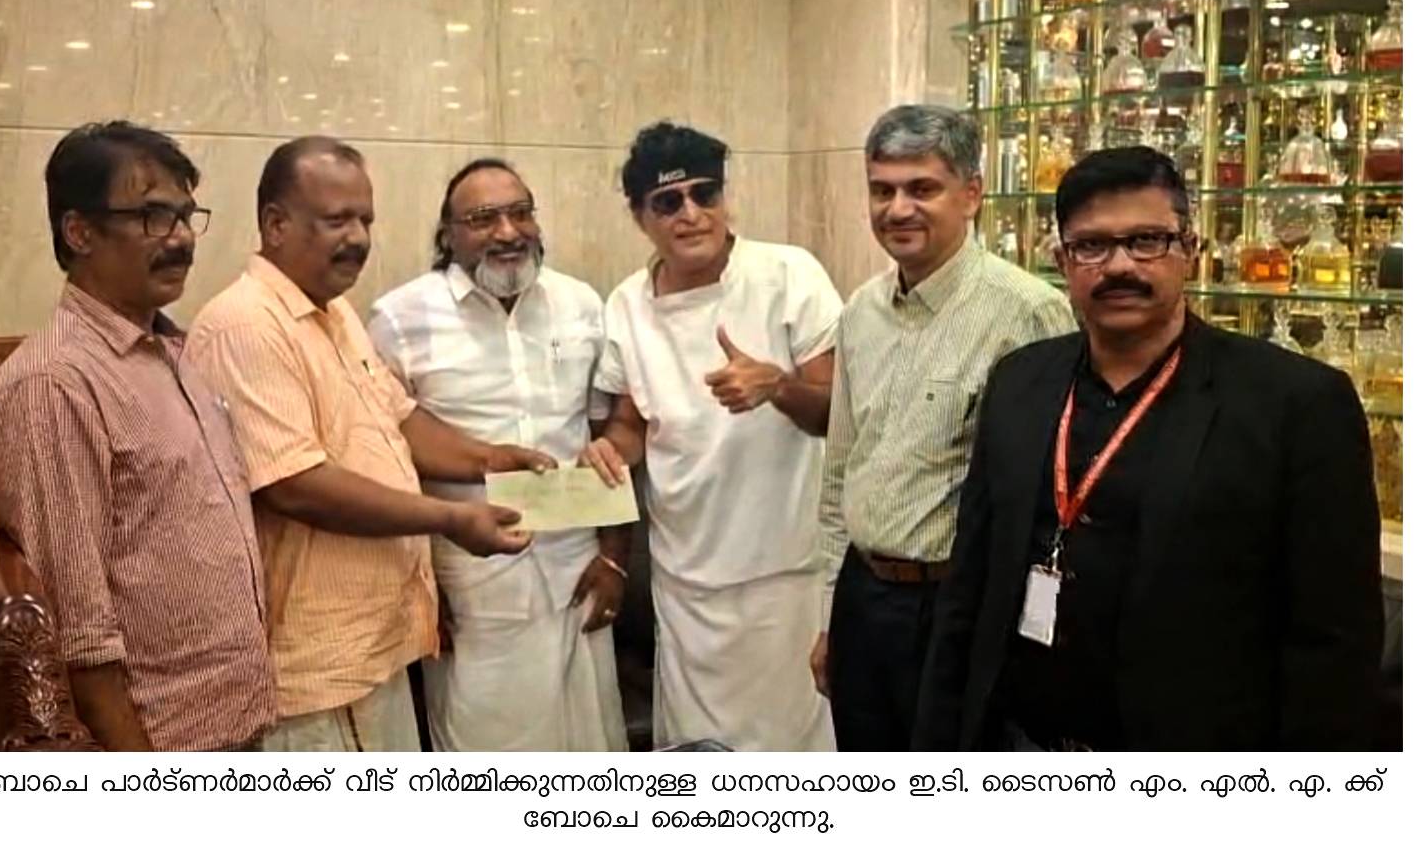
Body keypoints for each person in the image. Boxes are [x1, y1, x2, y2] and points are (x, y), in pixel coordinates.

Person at [915, 146, 1383, 751]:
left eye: (1146, 241)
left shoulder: (1295, 404)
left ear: (1191, 250)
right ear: (1062, 261)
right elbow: (971, 585)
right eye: (1091, 246)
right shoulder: (1020, 381)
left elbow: (1334, 645)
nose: (1119, 266)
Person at [186, 137, 548, 752]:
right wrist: (450, 518)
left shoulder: (333, 312)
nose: (357, 238)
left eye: (365, 220)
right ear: (275, 224)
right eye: (336, 220)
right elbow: (295, 485)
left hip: (375, 647)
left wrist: (489, 458)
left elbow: (399, 418)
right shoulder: (246, 324)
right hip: (315, 670)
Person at [0, 121, 275, 751]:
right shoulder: (53, 385)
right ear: (79, 232)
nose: (182, 238)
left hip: (238, 724)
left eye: (186, 216)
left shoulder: (170, 351)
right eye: (153, 217)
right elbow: (78, 636)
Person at [813, 104, 1075, 751]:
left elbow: (1049, 500)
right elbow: (840, 471)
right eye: (882, 190)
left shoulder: (1028, 313)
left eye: (921, 188)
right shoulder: (860, 312)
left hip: (961, 609)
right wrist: (829, 616)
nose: (898, 209)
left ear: (971, 194)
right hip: (863, 599)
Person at [583, 121, 841, 751]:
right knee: (697, 760)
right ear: (640, 216)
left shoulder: (788, 274)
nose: (691, 214)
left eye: (705, 194)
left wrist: (776, 386)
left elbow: (837, 414)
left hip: (785, 574)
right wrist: (610, 450)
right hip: (687, 582)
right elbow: (630, 422)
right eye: (668, 202)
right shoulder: (627, 304)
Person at [367, 158, 627, 751]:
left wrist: (615, 557)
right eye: (483, 218)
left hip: (578, 574)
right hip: (472, 586)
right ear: (449, 234)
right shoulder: (400, 318)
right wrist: (416, 590)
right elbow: (385, 460)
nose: (508, 232)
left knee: (591, 748)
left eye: (520, 213)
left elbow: (603, 438)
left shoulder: (580, 304)